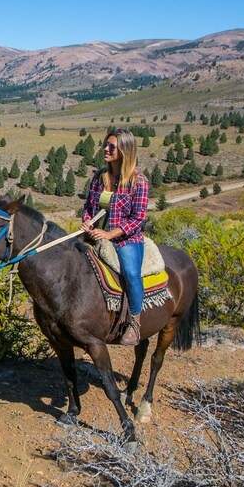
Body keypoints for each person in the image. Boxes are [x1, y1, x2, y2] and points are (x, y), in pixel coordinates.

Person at [81, 129, 149, 346]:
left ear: (125, 151)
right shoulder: (99, 177)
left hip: (125, 240)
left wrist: (110, 234)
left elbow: (138, 219)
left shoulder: (138, 181)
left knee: (130, 272)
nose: (106, 149)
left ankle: (135, 322)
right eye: (105, 144)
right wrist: (87, 221)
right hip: (95, 234)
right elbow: (88, 207)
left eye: (112, 146)